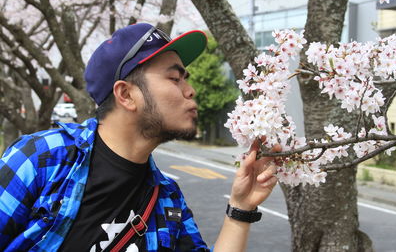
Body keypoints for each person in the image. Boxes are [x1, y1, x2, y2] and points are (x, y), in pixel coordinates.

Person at [0, 23, 280, 252]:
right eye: (175, 78)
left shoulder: (168, 198)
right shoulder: (43, 159)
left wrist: (241, 207)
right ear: (125, 95)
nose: (190, 90)